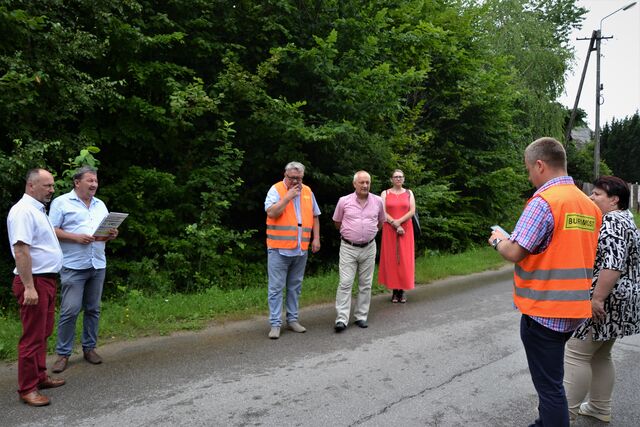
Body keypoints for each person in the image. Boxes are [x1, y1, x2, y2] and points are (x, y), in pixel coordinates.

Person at [488, 137, 601, 427]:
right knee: (551, 382)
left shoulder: (544, 202)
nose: (529, 176)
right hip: (572, 310)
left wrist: (499, 240)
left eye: (528, 170)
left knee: (550, 389)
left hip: (543, 312)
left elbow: (515, 251)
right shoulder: (588, 206)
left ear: (540, 164)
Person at [563, 176, 640, 423]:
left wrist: (597, 299)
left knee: (576, 352)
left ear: (614, 199)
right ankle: (598, 407)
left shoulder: (612, 221)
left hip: (607, 298)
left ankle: (564, 414)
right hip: (623, 299)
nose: (590, 197)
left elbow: (612, 265)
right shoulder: (627, 219)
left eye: (596, 194)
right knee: (600, 354)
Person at [49, 166, 118, 373]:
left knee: (93, 309)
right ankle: (63, 354)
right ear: (77, 182)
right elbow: (51, 230)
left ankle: (89, 349)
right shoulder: (61, 202)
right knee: (70, 311)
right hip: (73, 265)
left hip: (97, 263)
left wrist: (111, 234)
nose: (94, 184)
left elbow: (103, 233)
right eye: (90, 180)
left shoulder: (100, 205)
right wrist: (76, 237)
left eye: (96, 181)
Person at [7, 168, 65, 406]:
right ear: (31, 186)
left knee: (43, 333)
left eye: (52, 185)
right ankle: (27, 388)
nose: (52, 190)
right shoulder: (22, 212)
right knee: (32, 338)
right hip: (34, 282)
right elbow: (21, 250)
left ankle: (39, 376)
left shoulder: (38, 210)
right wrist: (29, 287)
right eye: (47, 186)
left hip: (46, 280)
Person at [265, 161, 320, 339]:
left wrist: (316, 238)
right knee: (276, 288)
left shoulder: (308, 191)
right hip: (278, 249)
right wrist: (288, 197)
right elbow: (272, 213)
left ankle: (293, 319)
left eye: (299, 178)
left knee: (295, 287)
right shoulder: (276, 190)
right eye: (292, 178)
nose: (296, 181)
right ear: (285, 175)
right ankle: (275, 324)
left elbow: (315, 216)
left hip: (300, 249)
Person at [333, 170, 385, 332]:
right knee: (345, 283)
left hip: (369, 247)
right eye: (361, 182)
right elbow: (337, 222)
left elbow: (381, 222)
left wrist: (368, 234)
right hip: (348, 248)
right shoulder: (344, 201)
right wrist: (351, 234)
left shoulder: (378, 201)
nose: (365, 185)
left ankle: (361, 316)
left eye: (367, 182)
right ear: (354, 184)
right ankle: (341, 319)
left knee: (366, 284)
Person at [378, 169, 416, 303]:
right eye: (396, 177)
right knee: (392, 258)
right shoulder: (385, 193)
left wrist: (399, 222)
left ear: (404, 179)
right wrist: (395, 223)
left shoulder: (409, 193)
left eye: (400, 177)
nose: (398, 179)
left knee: (405, 259)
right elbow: (382, 211)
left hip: (406, 229)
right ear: (391, 179)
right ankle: (395, 291)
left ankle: (403, 290)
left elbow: (412, 210)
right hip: (389, 228)